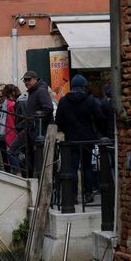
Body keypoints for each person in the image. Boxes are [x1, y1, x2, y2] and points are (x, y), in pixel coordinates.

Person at [55, 74, 106, 203]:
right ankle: (88, 193)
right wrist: (100, 132)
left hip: (71, 138)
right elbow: (99, 118)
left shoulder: (63, 101)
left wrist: (68, 130)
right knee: (87, 166)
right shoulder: (90, 100)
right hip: (88, 138)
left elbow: (59, 120)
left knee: (72, 167)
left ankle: (73, 196)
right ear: (83, 86)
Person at [20, 70, 54, 175]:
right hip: (33, 129)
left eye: (28, 80)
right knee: (32, 155)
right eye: (25, 80)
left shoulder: (40, 91)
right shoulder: (33, 91)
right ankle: (34, 176)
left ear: (35, 79)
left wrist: (36, 119)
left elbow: (48, 108)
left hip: (40, 130)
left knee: (39, 156)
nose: (26, 82)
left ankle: (38, 177)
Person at [0, 84, 17, 172]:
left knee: (8, 154)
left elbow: (10, 120)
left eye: (2, 96)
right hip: (6, 132)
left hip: (8, 132)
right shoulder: (8, 104)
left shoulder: (10, 105)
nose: (0, 99)